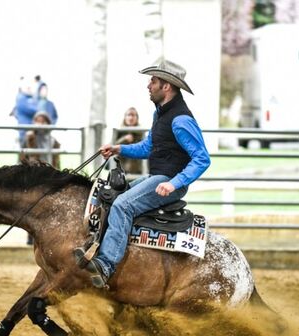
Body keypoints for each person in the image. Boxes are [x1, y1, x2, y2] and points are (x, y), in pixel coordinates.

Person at [76, 59, 211, 288]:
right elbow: (149, 147)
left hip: (167, 181)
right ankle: (101, 247)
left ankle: (106, 265)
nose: (148, 85)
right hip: (158, 178)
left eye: (153, 81)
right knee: (112, 194)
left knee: (122, 205)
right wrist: (120, 149)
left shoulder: (180, 120)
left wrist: (174, 183)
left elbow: (202, 158)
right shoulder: (161, 115)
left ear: (166, 86)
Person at [114, 107, 144, 176]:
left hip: (137, 171)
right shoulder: (118, 131)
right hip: (121, 171)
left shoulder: (141, 132)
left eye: (133, 115)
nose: (131, 118)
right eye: (128, 115)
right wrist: (124, 139)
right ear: (125, 117)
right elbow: (112, 146)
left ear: (137, 118)